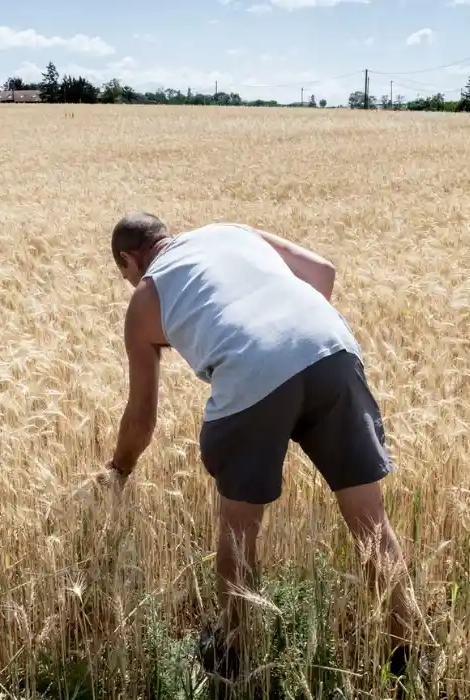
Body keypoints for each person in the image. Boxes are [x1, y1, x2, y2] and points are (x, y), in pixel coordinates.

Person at [100, 212, 418, 679]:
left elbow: (142, 418)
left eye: (124, 273)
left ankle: (236, 654)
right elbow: (323, 271)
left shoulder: (147, 295)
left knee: (239, 527)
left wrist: (119, 469)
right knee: (370, 520)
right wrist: (294, 346)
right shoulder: (228, 231)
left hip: (252, 372)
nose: (129, 281)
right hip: (331, 349)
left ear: (129, 259)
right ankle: (408, 656)